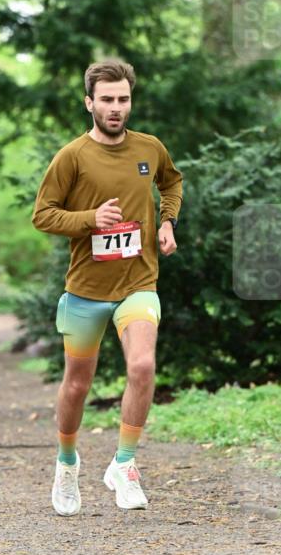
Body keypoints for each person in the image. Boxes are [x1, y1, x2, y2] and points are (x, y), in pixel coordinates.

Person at [32, 59, 182, 516]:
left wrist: (168, 221)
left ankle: (124, 463)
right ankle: (67, 465)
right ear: (89, 103)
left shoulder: (149, 148)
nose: (116, 108)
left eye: (123, 99)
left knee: (142, 366)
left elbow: (171, 182)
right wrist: (89, 220)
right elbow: (43, 214)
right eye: (107, 100)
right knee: (77, 386)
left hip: (138, 282)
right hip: (85, 291)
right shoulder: (72, 156)